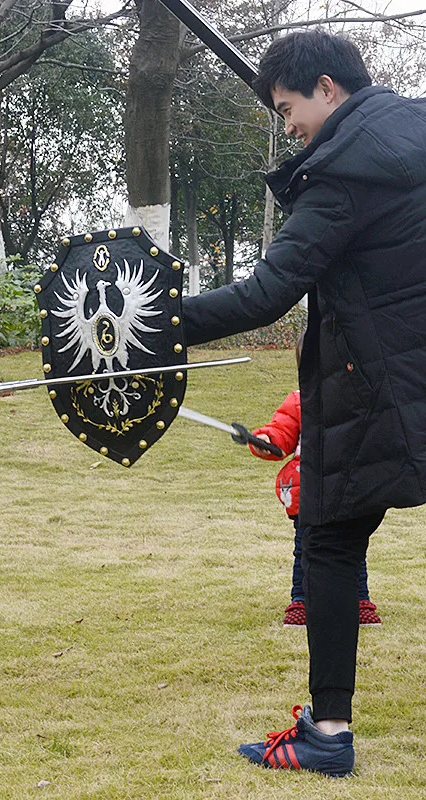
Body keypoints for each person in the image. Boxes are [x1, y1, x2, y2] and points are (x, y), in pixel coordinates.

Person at [182, 30, 426, 776]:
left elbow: (266, 294)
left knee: (328, 539)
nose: (287, 127)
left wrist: (153, 322)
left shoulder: (343, 175)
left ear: (327, 88)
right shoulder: (414, 128)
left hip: (380, 383)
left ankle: (329, 732)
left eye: (288, 108)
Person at [249, 384, 381, 627]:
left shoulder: (362, 394)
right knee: (305, 548)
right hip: (309, 492)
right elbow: (282, 431)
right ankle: (301, 600)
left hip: (350, 488)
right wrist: (267, 440)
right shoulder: (300, 401)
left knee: (354, 548)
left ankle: (360, 599)